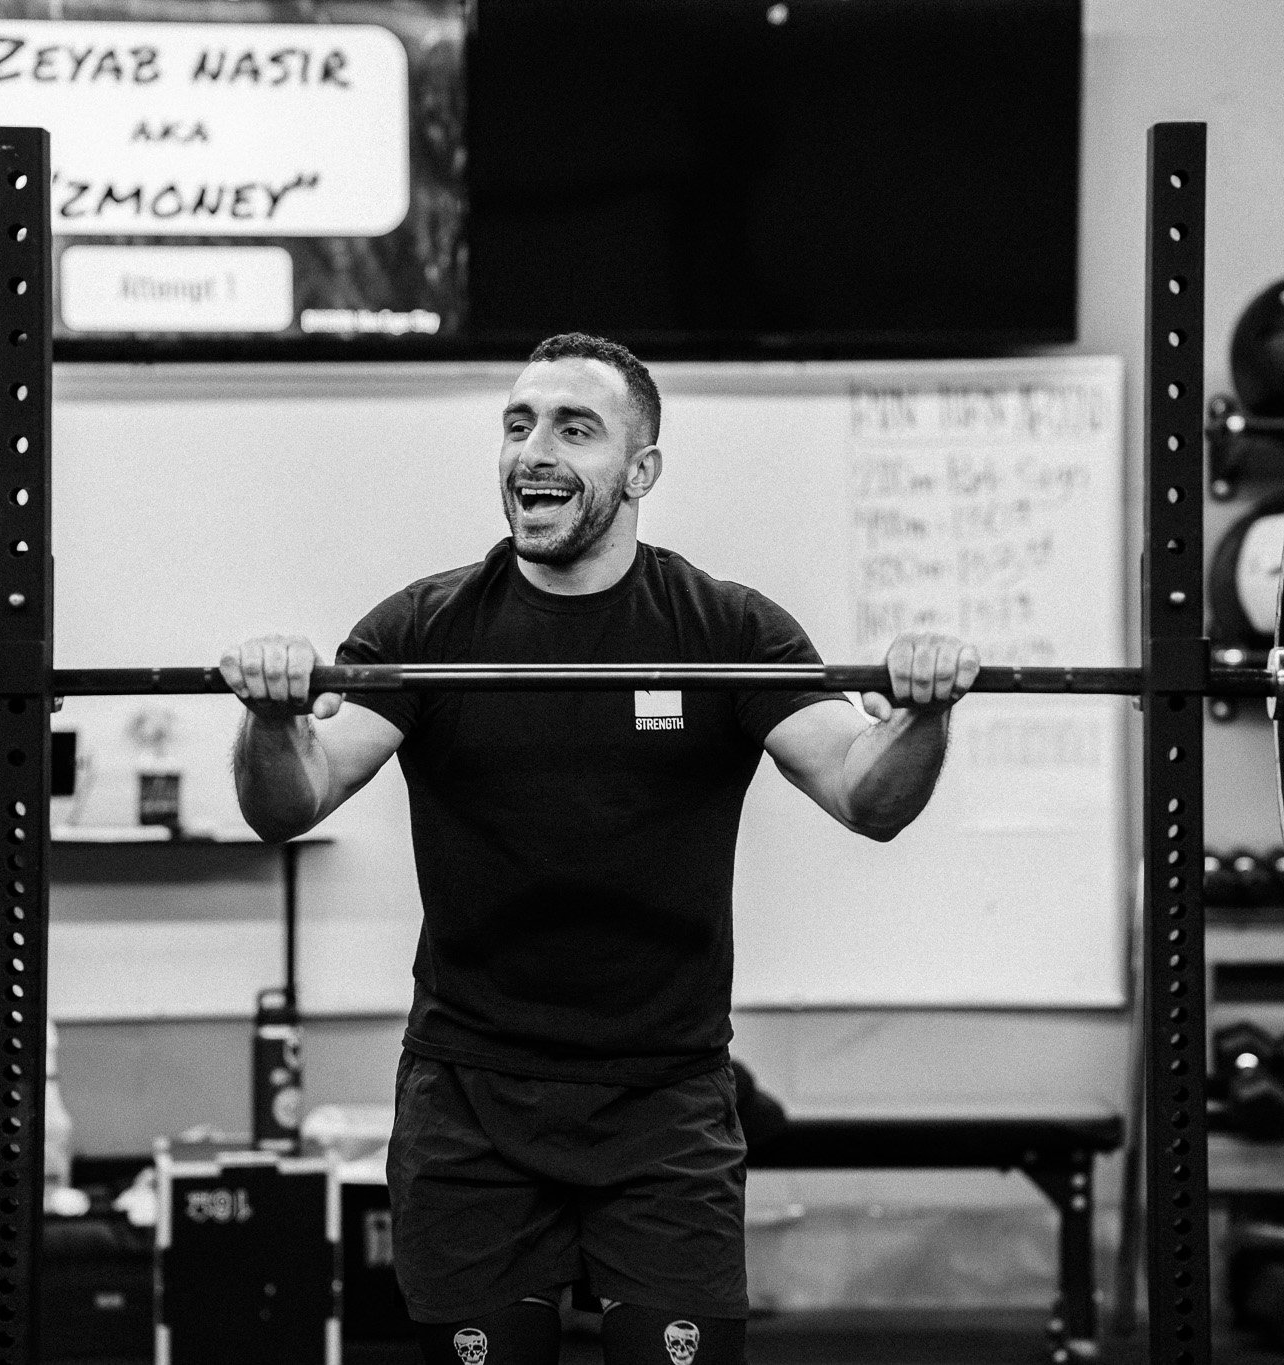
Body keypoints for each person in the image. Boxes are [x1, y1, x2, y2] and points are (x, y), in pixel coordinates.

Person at [223, 333, 975, 1365]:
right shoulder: (428, 629)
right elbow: (292, 798)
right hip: (470, 1102)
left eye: (575, 429)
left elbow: (863, 793)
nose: (533, 450)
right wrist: (271, 717)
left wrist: (922, 714)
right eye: (518, 424)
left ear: (640, 473)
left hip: (663, 1102)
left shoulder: (726, 632)